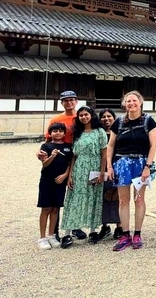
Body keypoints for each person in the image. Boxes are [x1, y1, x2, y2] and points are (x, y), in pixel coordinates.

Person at [106, 90, 156, 251]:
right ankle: (125, 234)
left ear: (140, 102)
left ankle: (137, 233)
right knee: (123, 200)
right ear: (124, 104)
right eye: (128, 101)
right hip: (121, 162)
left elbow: (153, 145)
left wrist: (147, 167)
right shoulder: (119, 122)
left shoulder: (149, 121)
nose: (131, 103)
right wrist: (109, 165)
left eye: (134, 100)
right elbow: (111, 144)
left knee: (139, 199)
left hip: (141, 162)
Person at [37, 90, 86, 241]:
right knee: (56, 196)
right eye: (66, 100)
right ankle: (54, 231)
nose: (69, 102)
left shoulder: (82, 117)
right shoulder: (56, 119)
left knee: (76, 193)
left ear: (76, 101)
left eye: (71, 99)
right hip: (60, 157)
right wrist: (42, 152)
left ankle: (75, 226)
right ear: (62, 102)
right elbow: (48, 140)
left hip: (78, 156)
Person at [60, 106, 107, 248]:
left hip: (94, 166)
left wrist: (102, 172)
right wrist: (70, 175)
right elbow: (74, 155)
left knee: (93, 197)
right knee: (75, 198)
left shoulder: (100, 132)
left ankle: (93, 230)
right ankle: (68, 232)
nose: (84, 117)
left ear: (91, 115)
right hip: (79, 167)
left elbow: (104, 154)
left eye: (86, 114)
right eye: (81, 115)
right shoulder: (78, 133)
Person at [37, 122, 72, 250]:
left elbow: (70, 163)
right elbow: (44, 164)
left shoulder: (68, 147)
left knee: (56, 208)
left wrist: (65, 175)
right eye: (55, 131)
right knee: (45, 208)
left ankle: (51, 235)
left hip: (60, 181)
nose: (58, 133)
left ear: (64, 133)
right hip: (47, 180)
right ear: (50, 133)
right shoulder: (46, 146)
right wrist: (52, 155)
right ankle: (42, 237)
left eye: (60, 131)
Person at [98, 108, 122, 241]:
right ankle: (104, 225)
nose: (106, 119)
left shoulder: (119, 131)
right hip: (102, 168)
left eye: (109, 116)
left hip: (117, 166)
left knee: (117, 196)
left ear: (114, 118)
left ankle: (119, 226)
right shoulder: (98, 133)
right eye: (103, 117)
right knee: (102, 196)